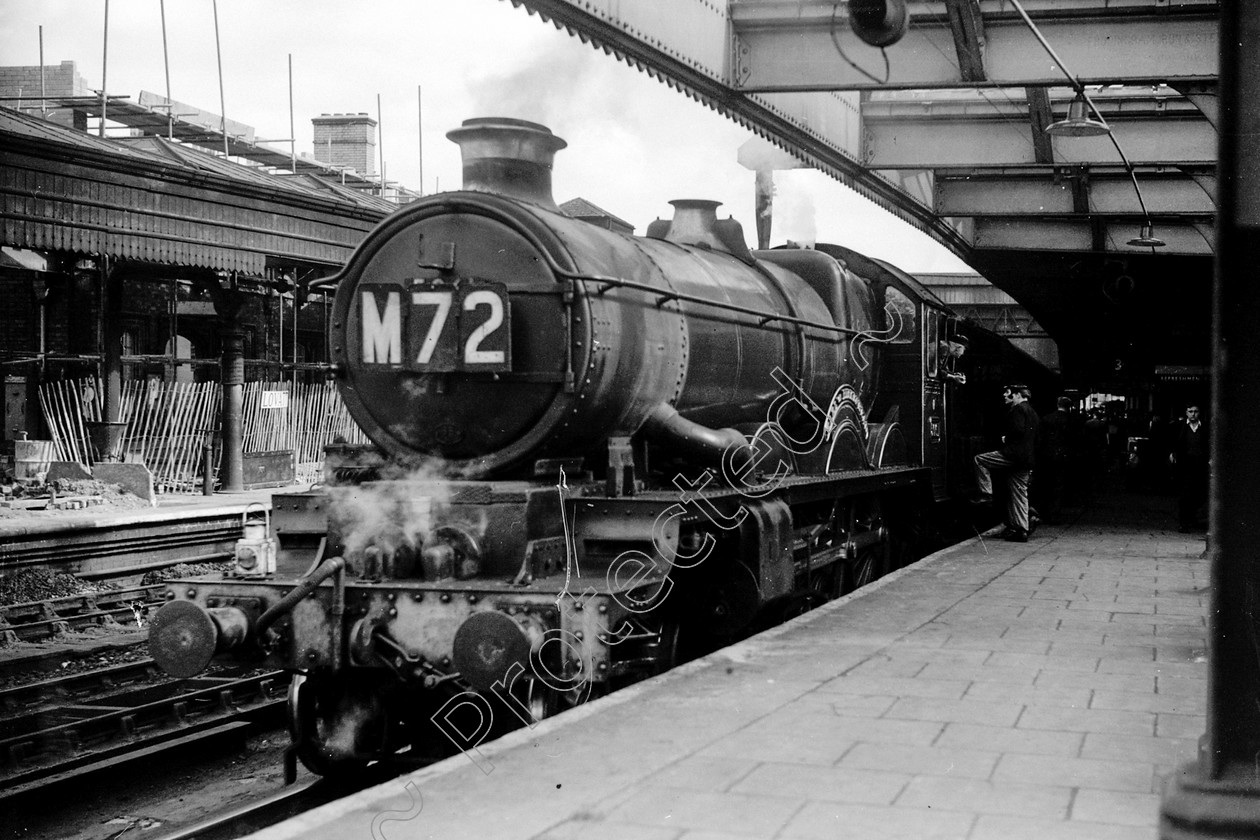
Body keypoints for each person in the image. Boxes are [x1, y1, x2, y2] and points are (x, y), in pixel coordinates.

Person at [972, 384, 1040, 542]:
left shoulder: (1017, 409)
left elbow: (1017, 430)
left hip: (1012, 455)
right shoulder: (1033, 413)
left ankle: (986, 494)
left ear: (1017, 395)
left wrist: (1006, 438)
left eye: (1007, 393)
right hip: (1026, 459)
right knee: (1020, 494)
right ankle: (1022, 530)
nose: (1004, 395)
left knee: (979, 460)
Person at [1036, 396, 1076, 524]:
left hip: (1046, 456)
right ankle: (1054, 514)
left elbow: (1040, 439)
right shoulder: (1071, 420)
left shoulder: (1047, 418)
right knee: (1058, 485)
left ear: (1057, 404)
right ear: (1069, 406)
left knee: (1045, 483)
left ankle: (1044, 513)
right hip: (1063, 457)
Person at [1169, 404, 1209, 532]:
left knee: (1199, 494)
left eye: (1196, 411)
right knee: (1185, 494)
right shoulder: (1180, 427)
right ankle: (1184, 522)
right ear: (1186, 413)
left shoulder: (1205, 428)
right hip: (1185, 465)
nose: (1193, 414)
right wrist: (1172, 453)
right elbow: (1173, 442)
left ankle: (1192, 517)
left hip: (1200, 464)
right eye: (1190, 411)